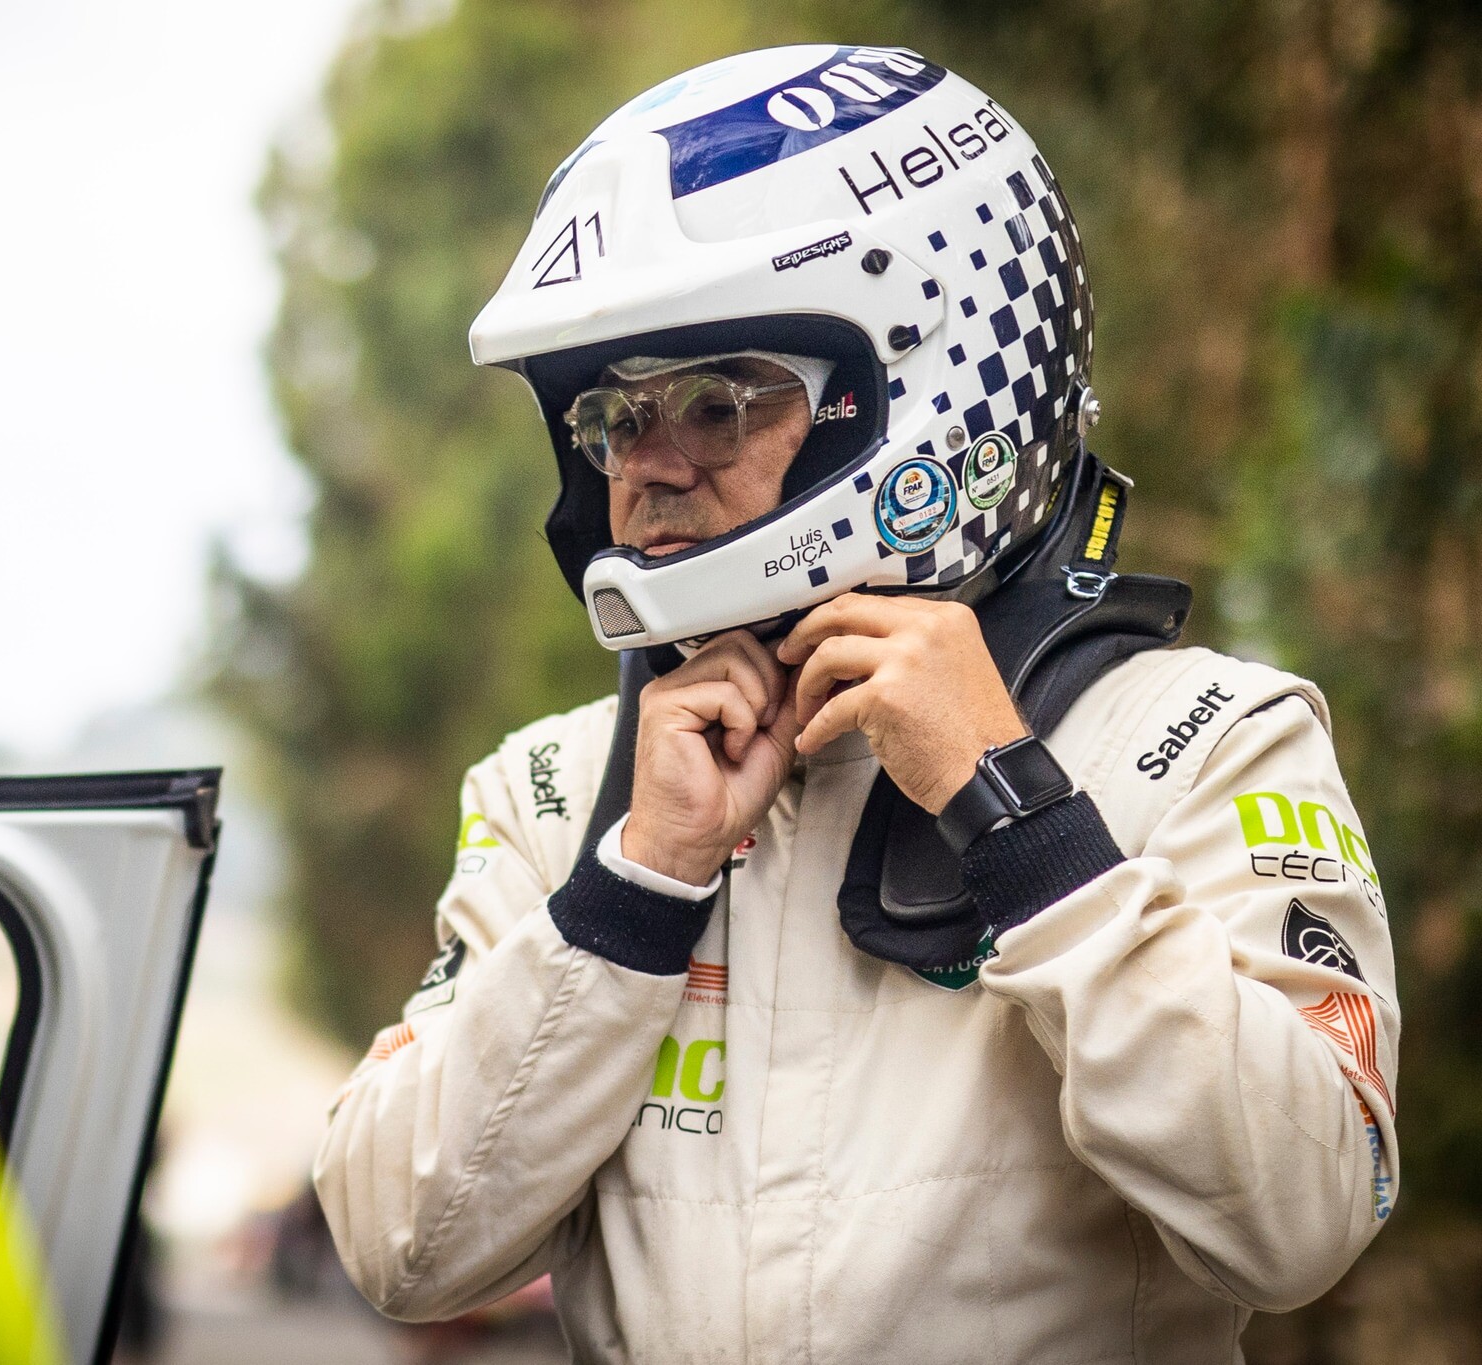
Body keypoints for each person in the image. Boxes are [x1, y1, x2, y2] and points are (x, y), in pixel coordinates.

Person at [313, 44, 1398, 1361]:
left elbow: (1305, 1216)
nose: (645, 470)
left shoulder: (1205, 738)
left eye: (714, 403)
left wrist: (1017, 815)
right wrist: (635, 886)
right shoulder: (556, 789)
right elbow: (401, 1248)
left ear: (924, 384)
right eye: (613, 417)